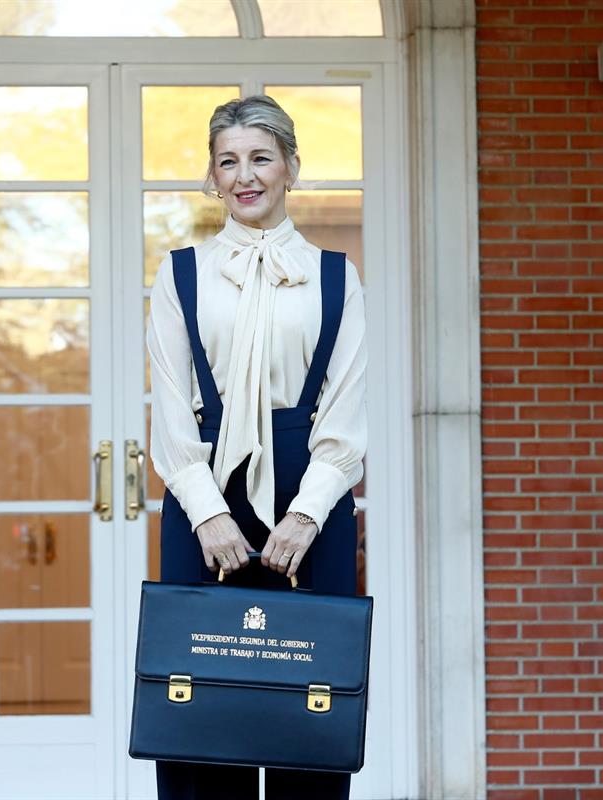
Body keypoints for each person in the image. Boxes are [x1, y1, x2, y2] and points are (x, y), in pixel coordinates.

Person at [145, 94, 368, 800]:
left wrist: (307, 514)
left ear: (292, 168)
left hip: (313, 496)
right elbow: (172, 406)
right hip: (204, 493)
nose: (245, 175)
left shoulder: (336, 276)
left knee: (310, 713)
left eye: (261, 158)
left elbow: (347, 409)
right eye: (228, 161)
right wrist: (208, 514)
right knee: (200, 712)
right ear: (212, 178)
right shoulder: (179, 273)